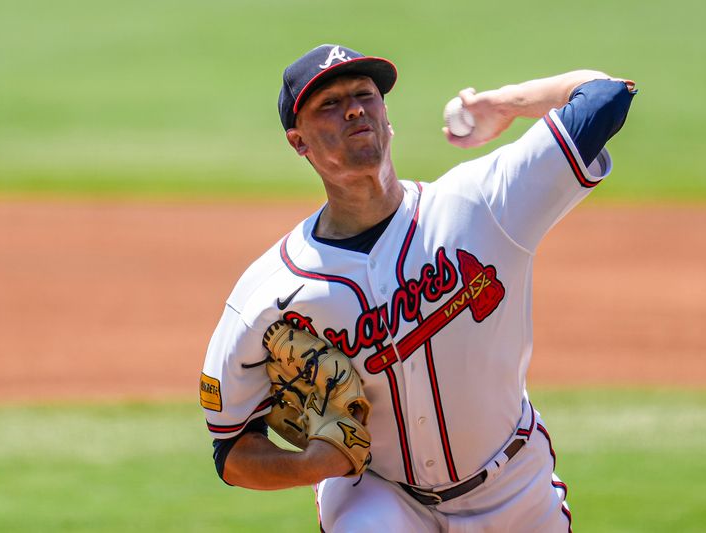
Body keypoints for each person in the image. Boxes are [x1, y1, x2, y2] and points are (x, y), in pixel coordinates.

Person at [200, 43, 636, 531]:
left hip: (515, 485)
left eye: (365, 94)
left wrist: (504, 103)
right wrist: (311, 467)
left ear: (387, 117)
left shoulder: (482, 203)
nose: (353, 108)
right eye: (329, 103)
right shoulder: (271, 294)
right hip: (379, 495)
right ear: (298, 142)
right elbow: (231, 449)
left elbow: (606, 96)